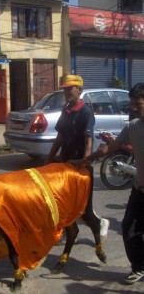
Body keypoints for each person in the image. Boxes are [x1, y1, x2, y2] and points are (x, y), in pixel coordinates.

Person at [70, 82, 144, 284]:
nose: (134, 108)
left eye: (138, 103)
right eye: (132, 104)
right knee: (129, 227)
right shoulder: (133, 126)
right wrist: (85, 159)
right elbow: (110, 148)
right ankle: (139, 267)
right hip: (139, 189)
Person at [45, 74, 109, 240]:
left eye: (69, 89)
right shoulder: (66, 110)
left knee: (83, 206)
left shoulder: (86, 112)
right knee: (67, 201)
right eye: (65, 89)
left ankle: (99, 223)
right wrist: (50, 157)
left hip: (79, 164)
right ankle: (69, 231)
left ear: (79, 90)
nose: (66, 92)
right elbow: (59, 137)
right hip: (66, 163)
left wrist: (84, 162)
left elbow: (89, 140)